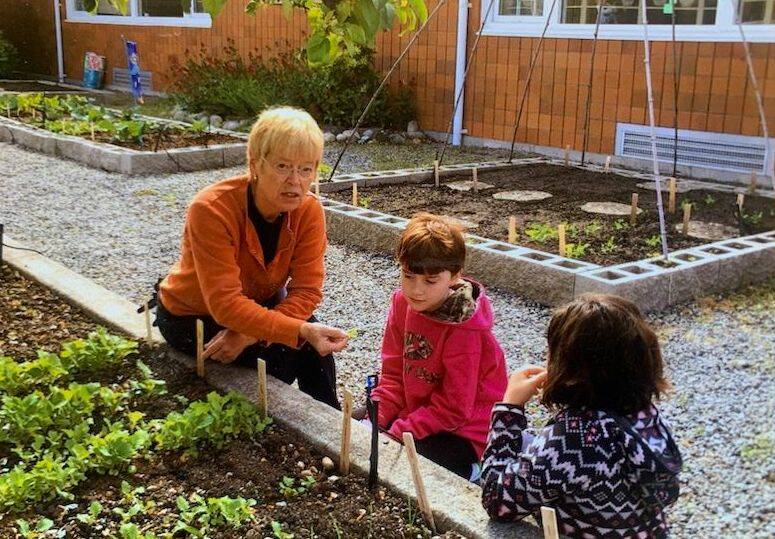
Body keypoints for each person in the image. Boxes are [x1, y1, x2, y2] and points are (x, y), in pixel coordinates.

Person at [154, 106, 348, 408]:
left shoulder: (309, 211)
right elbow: (225, 304)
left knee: (310, 345)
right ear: (255, 163)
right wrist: (287, 331)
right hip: (193, 316)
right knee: (279, 360)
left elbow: (308, 290)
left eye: (306, 169)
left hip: (254, 306)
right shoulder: (212, 209)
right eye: (283, 166)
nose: (295, 181)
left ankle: (331, 420)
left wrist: (248, 334)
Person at [481, 294, 682, 538]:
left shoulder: (572, 441)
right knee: (527, 442)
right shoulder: (646, 415)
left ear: (572, 371)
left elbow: (496, 500)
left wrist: (509, 407)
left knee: (522, 444)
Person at [369, 213, 508, 481]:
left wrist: (399, 431)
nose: (416, 290)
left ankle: (477, 469)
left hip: (466, 428)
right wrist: (379, 413)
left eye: (430, 281)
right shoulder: (402, 303)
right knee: (362, 426)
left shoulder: (464, 328)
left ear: (454, 276)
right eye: (408, 276)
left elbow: (455, 408)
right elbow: (394, 372)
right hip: (419, 410)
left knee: (410, 465)